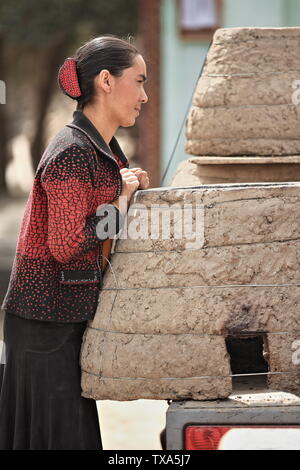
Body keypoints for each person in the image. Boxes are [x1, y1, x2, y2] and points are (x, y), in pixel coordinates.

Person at [0, 34, 149, 450]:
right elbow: (66, 243)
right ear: (106, 80)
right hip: (43, 323)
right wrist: (120, 201)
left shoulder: (100, 148)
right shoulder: (70, 151)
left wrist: (126, 187)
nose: (145, 96)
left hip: (64, 320)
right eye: (138, 81)